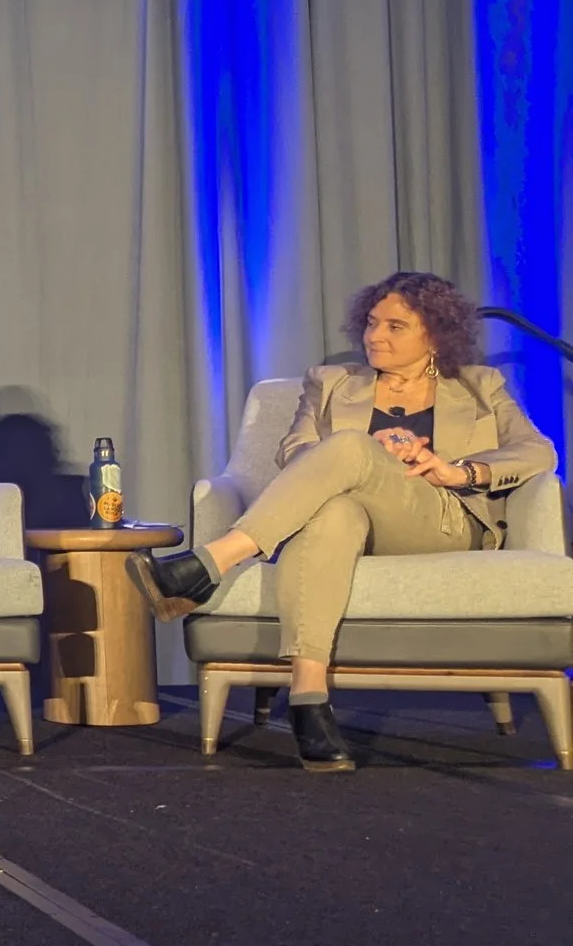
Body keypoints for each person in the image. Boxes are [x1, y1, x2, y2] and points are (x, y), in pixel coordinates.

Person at [130, 271, 556, 772]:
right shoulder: (331, 383)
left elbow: (538, 452)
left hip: (439, 519)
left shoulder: (480, 386)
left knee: (352, 446)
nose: (376, 335)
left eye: (396, 326)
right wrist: (360, 458)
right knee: (333, 506)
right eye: (372, 323)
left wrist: (456, 469)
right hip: (351, 525)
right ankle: (309, 698)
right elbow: (296, 451)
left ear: (435, 334)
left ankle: (211, 563)